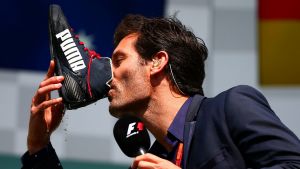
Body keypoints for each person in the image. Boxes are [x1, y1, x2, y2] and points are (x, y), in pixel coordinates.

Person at [21, 14, 300, 169]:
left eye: (118, 61)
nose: (110, 74)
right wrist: (38, 148)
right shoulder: (152, 160)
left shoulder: (231, 107)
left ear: (157, 62)